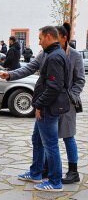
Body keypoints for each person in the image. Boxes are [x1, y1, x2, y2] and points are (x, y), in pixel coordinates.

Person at [0, 26, 70, 192]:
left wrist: (38, 105)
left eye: (40, 38)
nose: (39, 41)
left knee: (50, 145)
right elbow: (29, 68)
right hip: (45, 107)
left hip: (47, 108)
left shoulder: (54, 57)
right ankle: (36, 173)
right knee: (37, 140)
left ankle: (55, 181)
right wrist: (9, 75)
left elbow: (54, 87)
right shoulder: (48, 53)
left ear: (49, 36)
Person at [55, 23, 85, 184]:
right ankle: (49, 168)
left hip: (67, 104)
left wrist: (70, 96)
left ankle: (73, 172)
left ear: (64, 38)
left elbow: (80, 80)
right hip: (50, 103)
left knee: (68, 136)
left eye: (55, 36)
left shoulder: (75, 55)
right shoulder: (48, 53)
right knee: (50, 137)